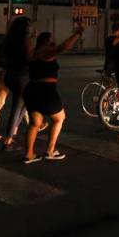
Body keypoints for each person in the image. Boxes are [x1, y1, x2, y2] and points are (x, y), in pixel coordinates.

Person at [22, 25, 83, 164]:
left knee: (35, 123)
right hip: (45, 90)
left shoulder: (32, 52)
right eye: (51, 40)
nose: (53, 42)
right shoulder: (45, 51)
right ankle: (50, 151)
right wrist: (77, 33)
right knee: (59, 118)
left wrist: (30, 36)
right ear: (46, 41)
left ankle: (29, 154)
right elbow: (64, 46)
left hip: (31, 89)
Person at [1, 17, 34, 152]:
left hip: (11, 75)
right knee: (17, 108)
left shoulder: (10, 40)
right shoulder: (24, 41)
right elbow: (29, 58)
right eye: (29, 26)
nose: (31, 28)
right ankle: (8, 141)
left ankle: (11, 135)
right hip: (22, 77)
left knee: (22, 107)